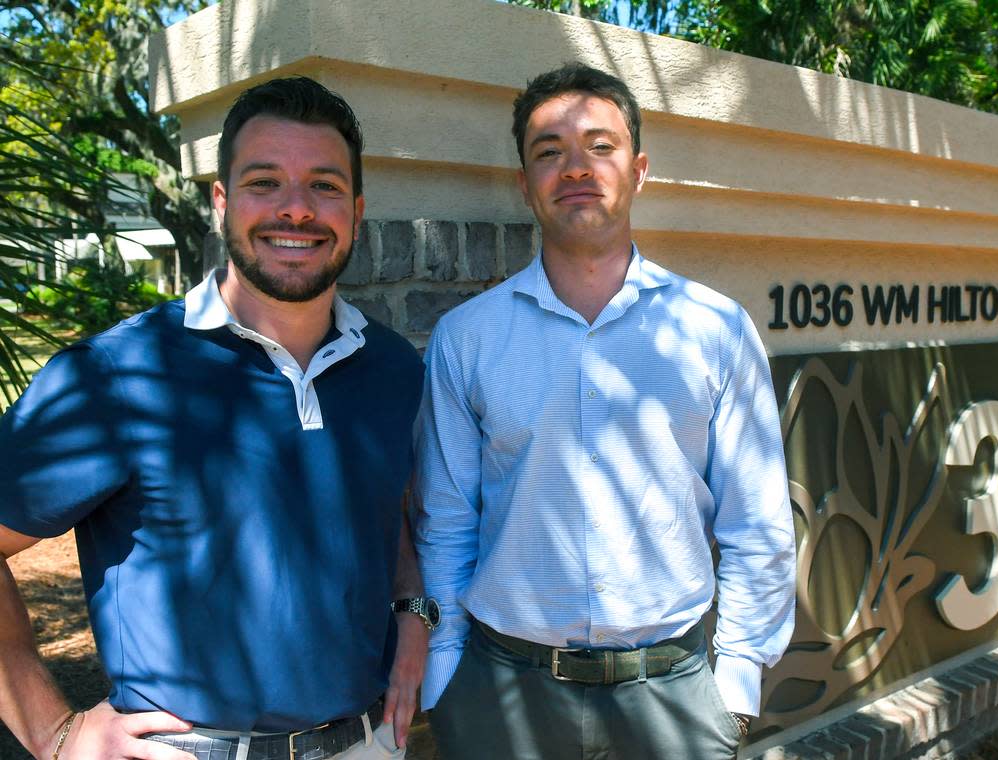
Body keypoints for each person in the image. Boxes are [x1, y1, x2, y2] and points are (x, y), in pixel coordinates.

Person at [0, 77, 430, 760]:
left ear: (357, 208)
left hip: (364, 744)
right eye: (265, 183)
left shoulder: (393, 369)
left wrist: (412, 610)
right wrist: (52, 731)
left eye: (323, 185)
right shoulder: (117, 374)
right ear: (222, 202)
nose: (296, 210)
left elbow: (390, 509)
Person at [414, 62, 797, 759]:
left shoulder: (715, 329)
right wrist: (445, 679)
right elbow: (446, 521)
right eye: (549, 152)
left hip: (672, 695)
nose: (576, 167)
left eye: (601, 145)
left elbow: (758, 523)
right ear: (526, 183)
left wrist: (735, 688)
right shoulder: (467, 339)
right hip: (504, 694)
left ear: (640, 169)